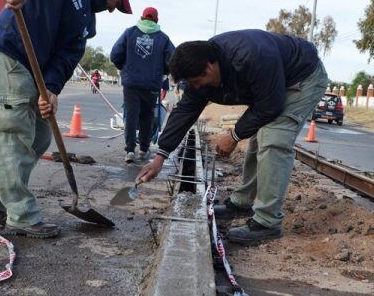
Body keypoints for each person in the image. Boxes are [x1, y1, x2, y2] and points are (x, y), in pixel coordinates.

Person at [0, 0, 133, 239]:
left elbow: (68, 54)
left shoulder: (87, 23)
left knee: (41, 134)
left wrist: (52, 90)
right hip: (10, 51)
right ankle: (20, 214)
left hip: (37, 72)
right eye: (116, 3)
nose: (112, 9)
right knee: (15, 131)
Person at [137, 30, 329, 245]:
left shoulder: (251, 55)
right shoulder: (200, 74)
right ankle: (242, 202)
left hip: (302, 78)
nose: (198, 87)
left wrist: (234, 135)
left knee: (273, 139)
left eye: (198, 80)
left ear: (209, 66)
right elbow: (185, 111)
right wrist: (160, 156)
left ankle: (267, 222)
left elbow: (269, 106)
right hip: (275, 81)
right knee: (259, 139)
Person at [110, 7, 175, 163]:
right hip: (151, 85)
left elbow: (115, 55)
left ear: (141, 17)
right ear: (157, 20)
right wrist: (162, 72)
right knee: (147, 116)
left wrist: (124, 68)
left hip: (131, 83)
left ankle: (130, 151)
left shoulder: (129, 32)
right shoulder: (163, 38)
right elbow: (173, 60)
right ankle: (144, 150)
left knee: (131, 116)